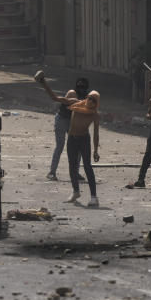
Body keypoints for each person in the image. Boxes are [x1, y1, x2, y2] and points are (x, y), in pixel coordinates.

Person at [35, 71, 100, 206]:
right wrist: (44, 83)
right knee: (72, 166)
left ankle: (94, 197)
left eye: (94, 100)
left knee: (87, 166)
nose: (90, 102)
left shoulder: (94, 114)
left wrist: (95, 150)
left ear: (97, 103)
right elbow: (55, 98)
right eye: (90, 98)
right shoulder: (76, 103)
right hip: (72, 138)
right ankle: (75, 192)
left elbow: (96, 133)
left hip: (84, 139)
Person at [41, 76, 90, 181]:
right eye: (80, 87)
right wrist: (44, 84)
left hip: (72, 122)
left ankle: (75, 173)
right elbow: (55, 98)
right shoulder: (73, 95)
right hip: (61, 120)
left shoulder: (85, 99)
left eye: (83, 87)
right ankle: (52, 172)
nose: (81, 89)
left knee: (78, 148)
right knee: (60, 146)